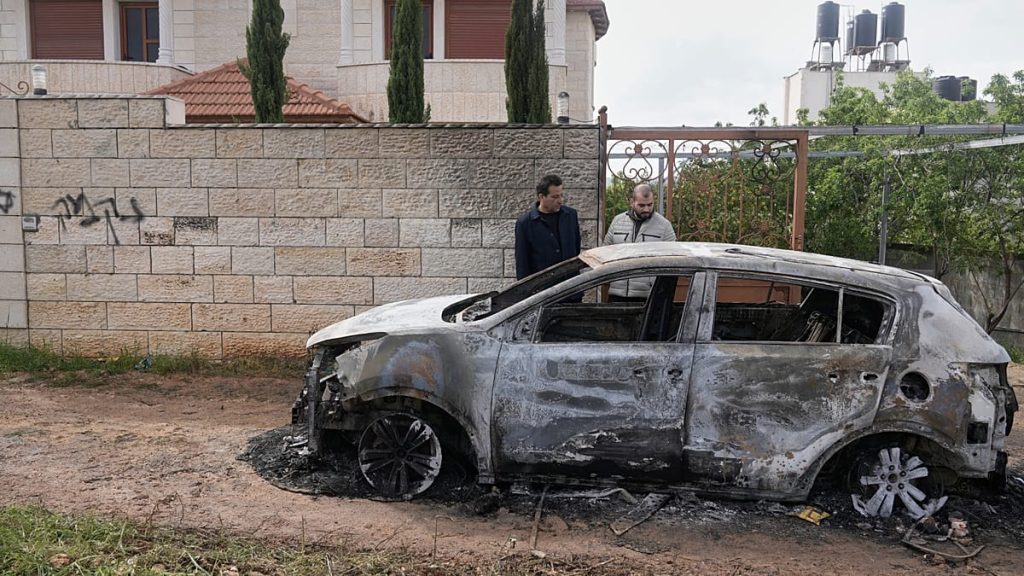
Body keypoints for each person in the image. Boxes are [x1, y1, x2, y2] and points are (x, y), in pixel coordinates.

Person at [603, 183, 676, 301]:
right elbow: (605, 252)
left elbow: (673, 261)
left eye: (650, 205)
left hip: (648, 296)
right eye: (642, 205)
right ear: (632, 202)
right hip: (617, 293)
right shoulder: (617, 222)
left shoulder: (664, 226)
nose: (646, 209)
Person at [514, 174, 581, 280]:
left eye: (561, 195)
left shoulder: (571, 215)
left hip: (571, 289)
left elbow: (576, 248)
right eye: (554, 197)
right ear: (541, 197)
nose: (560, 200)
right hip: (544, 291)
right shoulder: (525, 223)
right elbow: (522, 264)